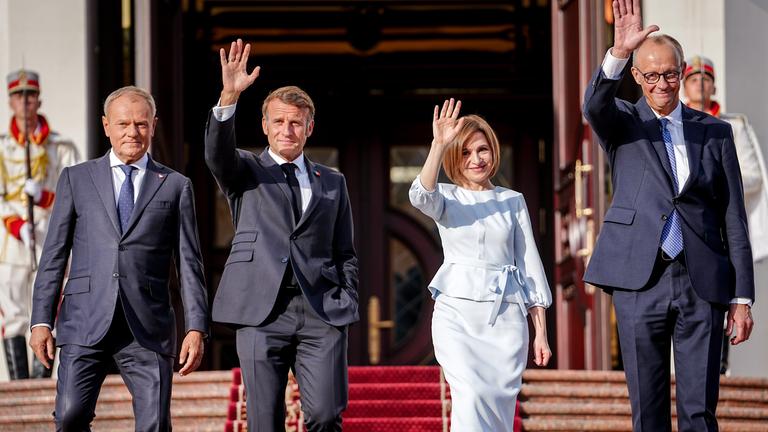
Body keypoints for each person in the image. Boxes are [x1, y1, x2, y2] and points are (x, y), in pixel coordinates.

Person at [582, 1, 754, 431]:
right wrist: (619, 52)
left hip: (702, 281)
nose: (663, 83)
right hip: (639, 279)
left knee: (700, 411)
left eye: (671, 73)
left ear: (682, 72)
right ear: (637, 78)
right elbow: (594, 104)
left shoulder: (715, 131)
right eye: (652, 75)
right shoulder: (622, 121)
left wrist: (743, 297)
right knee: (648, 409)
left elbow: (732, 214)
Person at [29, 86, 209, 430]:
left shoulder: (174, 185)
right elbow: (53, 254)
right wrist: (40, 321)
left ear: (153, 126)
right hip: (83, 320)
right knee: (69, 416)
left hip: (148, 324)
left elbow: (189, 263)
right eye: (123, 123)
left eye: (141, 124)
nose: (132, 132)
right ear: (106, 125)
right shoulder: (76, 179)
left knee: (154, 424)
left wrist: (196, 326)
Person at [204, 39, 359, 432]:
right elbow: (217, 154)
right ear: (265, 126)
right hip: (259, 312)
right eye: (278, 121)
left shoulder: (333, 182)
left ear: (309, 127)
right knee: (263, 422)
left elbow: (345, 251)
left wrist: (347, 296)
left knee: (325, 415)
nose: (286, 130)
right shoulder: (245, 171)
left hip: (320, 311)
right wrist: (229, 94)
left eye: (295, 122)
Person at [409, 98, 552, 431]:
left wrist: (540, 333)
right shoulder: (445, 197)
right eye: (465, 152)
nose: (475, 159)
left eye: (482, 150)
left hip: (506, 320)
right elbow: (419, 195)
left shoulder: (512, 200)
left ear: (494, 152)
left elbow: (530, 266)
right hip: (456, 314)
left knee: (499, 409)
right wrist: (438, 144)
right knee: (470, 396)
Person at [682, 54, 768, 374]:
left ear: (714, 84)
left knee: (718, 297)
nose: (700, 85)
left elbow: (754, 177)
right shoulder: (677, 123)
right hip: (684, 226)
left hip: (717, 224)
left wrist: (715, 183)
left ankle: (718, 367)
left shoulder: (733, 124)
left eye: (705, 79)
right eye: (693, 79)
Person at [0, 69, 79, 380]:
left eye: (30, 95)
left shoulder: (61, 147)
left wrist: (45, 197)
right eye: (18, 95)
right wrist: (15, 222)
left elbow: (75, 195)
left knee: (48, 307)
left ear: (39, 99)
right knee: (14, 309)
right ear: (11, 101)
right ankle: (19, 386)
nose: (25, 101)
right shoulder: (3, 148)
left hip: (49, 235)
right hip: (11, 241)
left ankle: (41, 381)